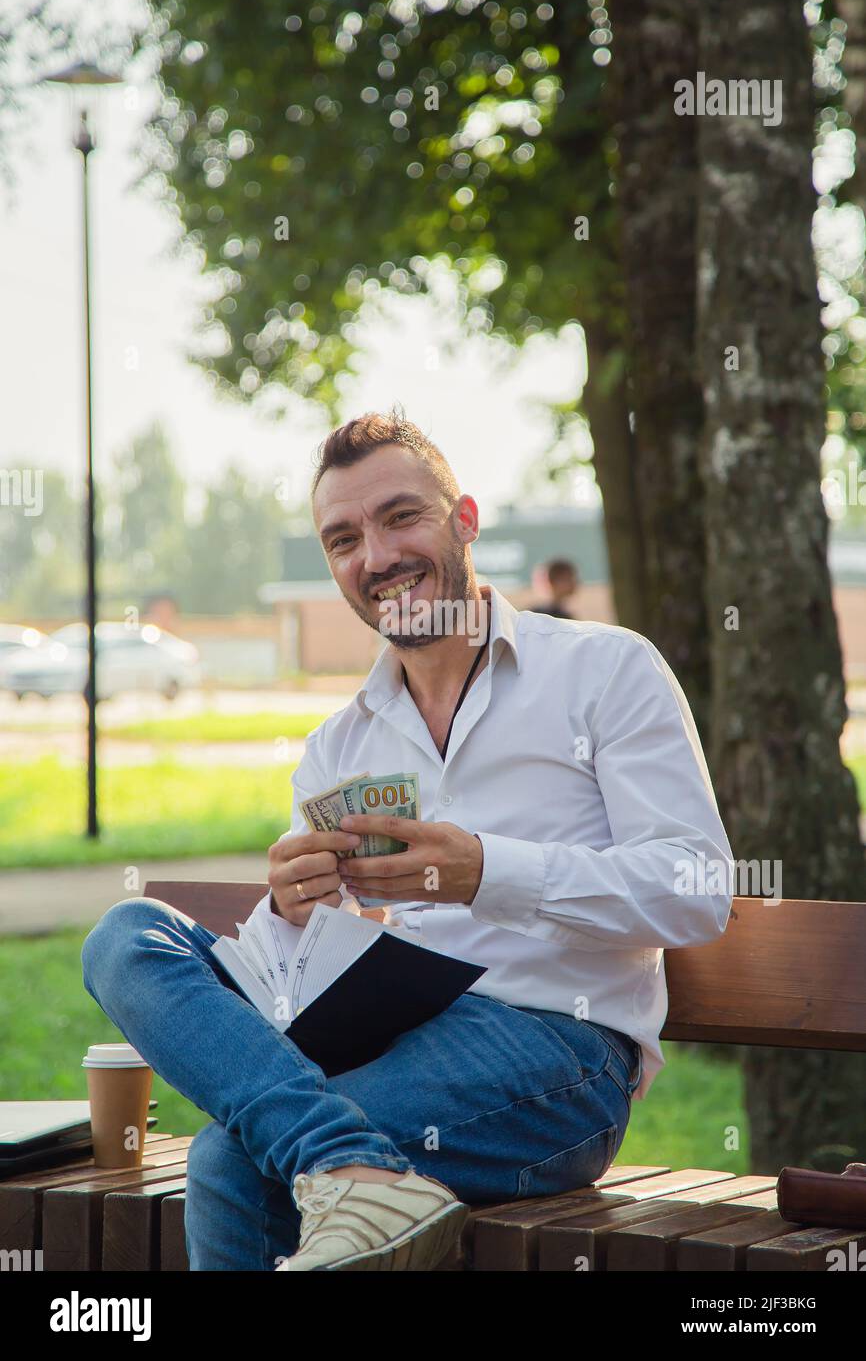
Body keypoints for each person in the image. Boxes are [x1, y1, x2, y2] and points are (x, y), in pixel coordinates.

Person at [81, 407, 734, 1273]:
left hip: (557, 1052)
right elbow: (301, 967)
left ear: (463, 521)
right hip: (387, 1040)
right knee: (124, 936)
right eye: (344, 537)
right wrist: (287, 910)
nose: (377, 557)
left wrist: (485, 873)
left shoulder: (607, 671)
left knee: (232, 1160)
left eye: (401, 517)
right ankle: (351, 1170)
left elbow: (696, 889)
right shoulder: (338, 744)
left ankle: (341, 1168)